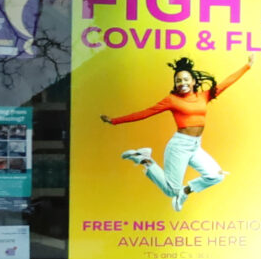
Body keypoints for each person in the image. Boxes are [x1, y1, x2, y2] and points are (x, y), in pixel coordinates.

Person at [101, 55, 251, 213]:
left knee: (216, 176)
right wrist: (114, 121)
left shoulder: (204, 96)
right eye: (178, 81)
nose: (182, 83)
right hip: (179, 146)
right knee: (171, 190)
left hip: (195, 146)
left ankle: (185, 192)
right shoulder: (172, 100)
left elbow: (226, 83)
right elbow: (145, 113)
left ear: (193, 81)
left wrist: (247, 66)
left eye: (186, 79)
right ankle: (145, 159)